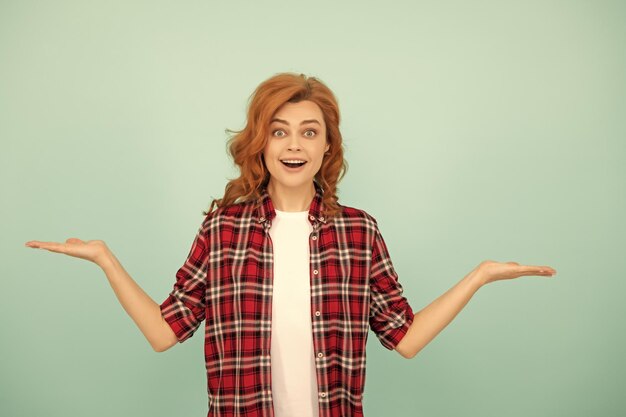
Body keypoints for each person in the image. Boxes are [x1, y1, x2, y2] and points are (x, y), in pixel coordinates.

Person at [24, 72, 557, 417]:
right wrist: (105, 259)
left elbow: (407, 338)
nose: (294, 144)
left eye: (309, 131)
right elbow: (165, 333)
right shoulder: (223, 231)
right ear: (261, 144)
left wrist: (481, 275)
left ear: (328, 147)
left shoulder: (359, 232)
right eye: (279, 131)